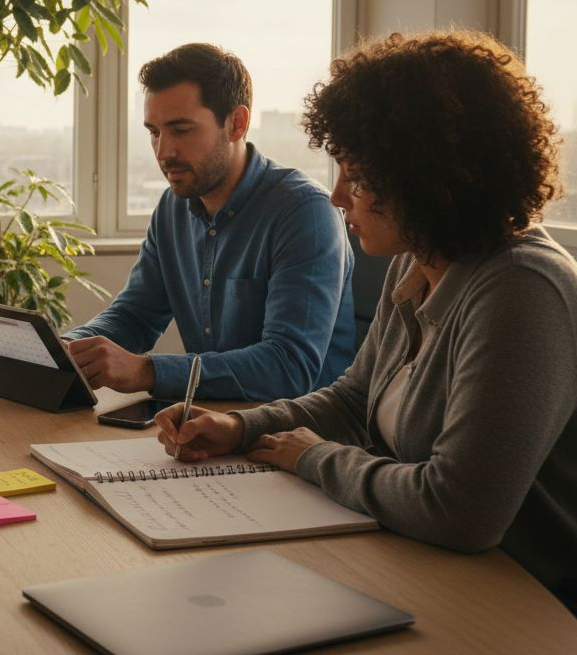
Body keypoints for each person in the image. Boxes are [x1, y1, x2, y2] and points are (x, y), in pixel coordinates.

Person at [155, 31, 577, 606]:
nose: (337, 196)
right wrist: (242, 428)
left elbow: (459, 512)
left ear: (428, 176)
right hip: (418, 561)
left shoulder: (522, 289)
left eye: (358, 175)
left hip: (520, 598)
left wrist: (312, 457)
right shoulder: (418, 257)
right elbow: (354, 401)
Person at [64, 43, 355, 401]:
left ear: (237, 123)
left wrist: (147, 371)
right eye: (154, 132)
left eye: (181, 130)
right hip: (207, 424)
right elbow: (135, 316)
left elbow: (288, 366)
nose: (163, 151)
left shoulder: (304, 212)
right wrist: (68, 348)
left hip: (297, 436)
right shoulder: (173, 208)